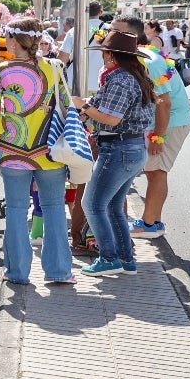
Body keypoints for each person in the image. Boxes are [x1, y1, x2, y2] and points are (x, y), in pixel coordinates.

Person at [0, 19, 74, 285]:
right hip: (51, 150)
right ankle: (59, 272)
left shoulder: (0, 70)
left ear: (12, 41)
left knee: (17, 210)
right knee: (55, 208)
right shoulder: (55, 67)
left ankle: (17, 272)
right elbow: (66, 106)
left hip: (13, 150)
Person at [70, 31, 154, 275]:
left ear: (110, 55)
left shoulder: (119, 80)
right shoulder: (136, 77)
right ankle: (125, 259)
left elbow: (111, 118)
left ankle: (109, 259)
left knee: (93, 204)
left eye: (104, 52)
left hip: (119, 148)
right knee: (113, 207)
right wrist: (88, 106)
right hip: (133, 148)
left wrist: (82, 106)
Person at [119, 16, 189, 240]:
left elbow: (164, 103)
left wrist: (159, 135)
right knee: (153, 172)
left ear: (130, 35)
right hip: (162, 120)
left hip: (169, 121)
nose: (108, 35)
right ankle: (154, 222)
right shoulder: (139, 55)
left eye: (115, 31)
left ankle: (149, 224)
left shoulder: (148, 60)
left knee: (156, 172)